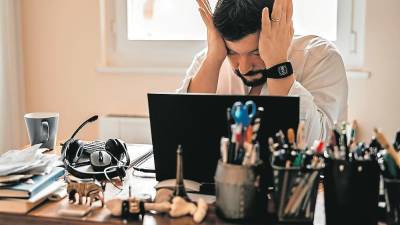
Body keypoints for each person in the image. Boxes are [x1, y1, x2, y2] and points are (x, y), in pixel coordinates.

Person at [177, 0, 348, 146]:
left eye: (257, 52)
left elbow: (315, 143)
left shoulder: (320, 58)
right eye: (232, 52)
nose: (243, 68)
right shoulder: (212, 57)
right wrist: (214, 60)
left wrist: (277, 64)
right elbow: (179, 133)